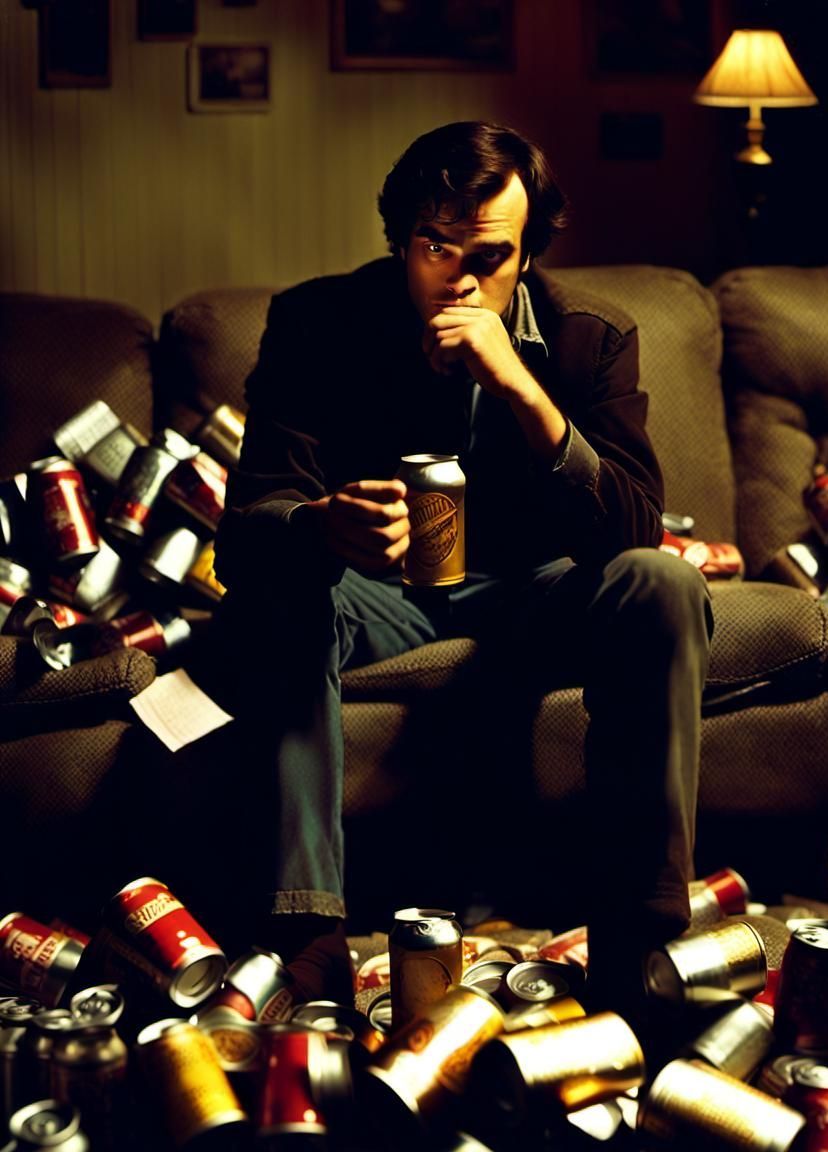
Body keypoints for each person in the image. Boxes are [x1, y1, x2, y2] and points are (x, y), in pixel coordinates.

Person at [207, 120, 714, 1025]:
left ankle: (635, 943)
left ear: (528, 252)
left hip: (534, 596)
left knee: (665, 584)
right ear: (401, 238)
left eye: (490, 257)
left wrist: (520, 386)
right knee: (281, 582)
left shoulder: (591, 336)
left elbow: (636, 531)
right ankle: (309, 942)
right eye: (436, 248)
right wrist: (321, 524)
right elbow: (247, 532)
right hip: (376, 599)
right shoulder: (317, 322)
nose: (461, 281)